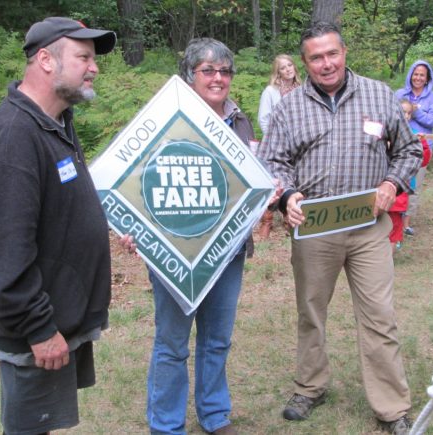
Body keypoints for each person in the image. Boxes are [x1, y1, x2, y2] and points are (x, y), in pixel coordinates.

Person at [258, 22, 421, 435]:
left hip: (368, 224)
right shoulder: (288, 107)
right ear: (305, 63)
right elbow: (273, 163)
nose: (326, 63)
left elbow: (408, 150)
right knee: (311, 311)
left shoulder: (379, 94)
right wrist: (287, 195)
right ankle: (310, 386)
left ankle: (391, 407)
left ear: (344, 52)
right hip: (314, 227)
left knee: (380, 316)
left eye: (332, 54)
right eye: (316, 57)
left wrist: (390, 183)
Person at [0, 17, 116, 434]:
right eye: (84, 57)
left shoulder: (54, 122)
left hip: (59, 317)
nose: (94, 67)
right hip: (37, 329)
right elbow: (6, 254)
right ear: (46, 61)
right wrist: (38, 328)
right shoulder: (15, 137)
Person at [121, 38, 272, 435]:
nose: (218, 78)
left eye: (225, 71)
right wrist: (131, 226)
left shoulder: (240, 121)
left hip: (227, 250)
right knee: (172, 344)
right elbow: (136, 182)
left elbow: (250, 180)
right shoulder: (166, 119)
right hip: (177, 251)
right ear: (190, 78)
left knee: (217, 339)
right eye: (208, 70)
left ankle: (215, 415)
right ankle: (167, 425)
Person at [256, 54, 302, 238]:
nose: (288, 69)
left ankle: (289, 218)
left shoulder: (303, 89)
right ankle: (266, 221)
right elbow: (264, 118)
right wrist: (274, 140)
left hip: (298, 143)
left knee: (294, 178)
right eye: (283, 67)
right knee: (273, 180)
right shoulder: (271, 91)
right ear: (278, 72)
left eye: (290, 65)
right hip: (277, 143)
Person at [394, 60, 433, 237]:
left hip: (422, 148)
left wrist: (416, 111)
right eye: (416, 74)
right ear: (410, 75)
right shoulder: (399, 94)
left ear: (427, 78)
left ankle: (406, 224)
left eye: (422, 75)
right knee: (397, 182)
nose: (418, 78)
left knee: (414, 186)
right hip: (398, 146)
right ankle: (392, 220)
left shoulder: (432, 98)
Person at [389, 99, 431, 251]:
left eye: (408, 113)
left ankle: (390, 252)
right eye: (402, 112)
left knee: (395, 225)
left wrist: (423, 145)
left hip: (402, 190)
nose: (405, 116)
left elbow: (423, 160)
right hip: (382, 189)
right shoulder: (384, 132)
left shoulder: (414, 136)